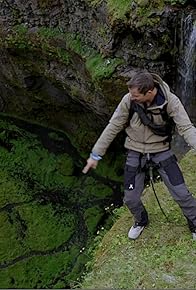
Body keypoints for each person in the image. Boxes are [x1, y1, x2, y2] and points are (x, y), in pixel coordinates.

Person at [82, 70, 196, 240]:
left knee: (181, 193)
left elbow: (186, 128)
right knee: (130, 198)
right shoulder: (129, 100)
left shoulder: (170, 101)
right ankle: (140, 220)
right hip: (135, 151)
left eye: (135, 95)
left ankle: (194, 223)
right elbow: (113, 126)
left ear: (149, 91)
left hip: (161, 150)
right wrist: (96, 155)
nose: (130, 97)